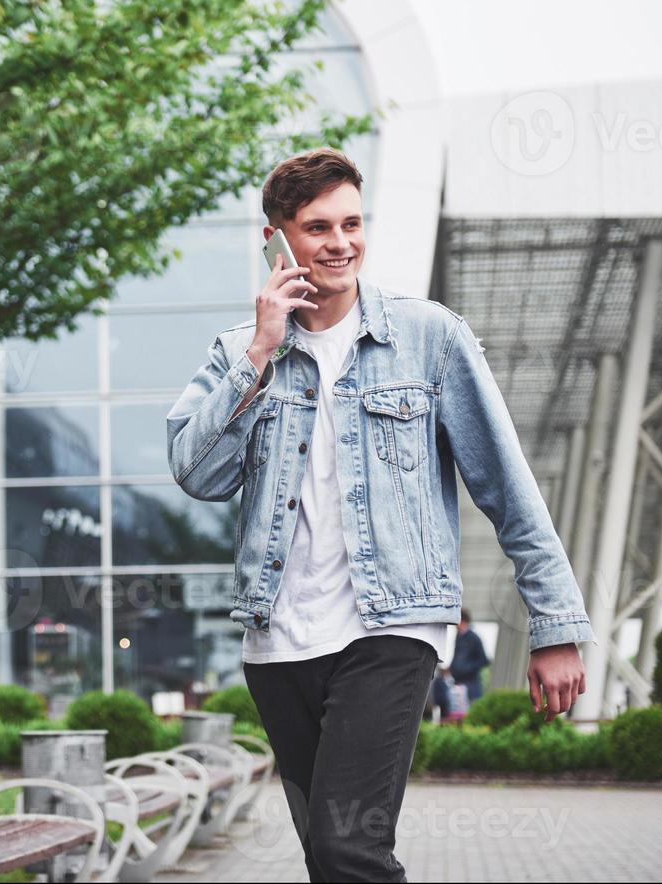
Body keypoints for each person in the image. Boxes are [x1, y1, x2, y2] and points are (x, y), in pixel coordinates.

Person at [166, 147, 597, 882]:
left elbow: (506, 486)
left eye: (351, 223)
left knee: (347, 849)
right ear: (274, 238)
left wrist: (554, 627)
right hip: (278, 642)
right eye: (316, 227)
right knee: (329, 859)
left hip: (390, 625)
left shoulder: (428, 337)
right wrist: (261, 353)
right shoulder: (239, 352)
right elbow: (197, 474)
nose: (339, 243)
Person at [449, 607, 491, 708]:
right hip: (458, 684)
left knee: (470, 712)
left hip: (471, 685)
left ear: (462, 620)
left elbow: (484, 660)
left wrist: (467, 668)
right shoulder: (458, 637)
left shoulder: (474, 638)